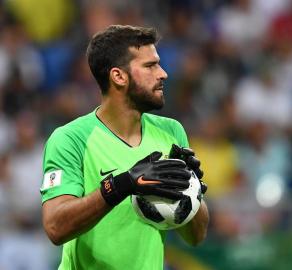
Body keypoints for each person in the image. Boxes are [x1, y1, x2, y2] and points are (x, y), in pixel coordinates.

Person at [40, 25, 209, 270]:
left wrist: (191, 191)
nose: (163, 74)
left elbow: (196, 236)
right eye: (150, 66)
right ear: (118, 76)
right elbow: (55, 227)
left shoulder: (171, 132)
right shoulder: (70, 139)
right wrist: (121, 185)